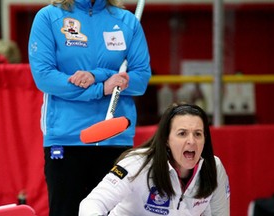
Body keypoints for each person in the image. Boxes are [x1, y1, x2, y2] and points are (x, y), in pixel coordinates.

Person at [28, 0, 151, 215]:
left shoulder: (126, 21)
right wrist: (101, 88)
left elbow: (141, 78)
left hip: (114, 138)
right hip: (67, 138)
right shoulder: (48, 17)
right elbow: (45, 77)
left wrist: (97, 75)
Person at [79, 102, 230, 216]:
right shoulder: (137, 164)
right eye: (182, 133)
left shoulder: (214, 168)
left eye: (198, 134)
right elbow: (91, 204)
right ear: (166, 139)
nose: (191, 141)